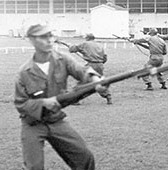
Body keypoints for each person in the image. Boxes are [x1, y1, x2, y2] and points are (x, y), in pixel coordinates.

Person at [14, 24, 104, 170]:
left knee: (84, 158)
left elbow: (81, 70)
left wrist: (95, 80)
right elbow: (20, 104)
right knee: (34, 167)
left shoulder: (63, 59)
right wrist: (44, 102)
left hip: (56, 120)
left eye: (50, 36)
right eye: (43, 37)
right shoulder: (24, 71)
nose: (49, 40)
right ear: (32, 41)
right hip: (33, 124)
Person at [69, 33, 112, 104]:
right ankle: (108, 96)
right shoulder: (99, 45)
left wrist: (70, 46)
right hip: (100, 65)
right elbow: (105, 58)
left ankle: (75, 99)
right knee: (99, 81)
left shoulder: (85, 44)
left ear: (87, 38)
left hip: (91, 65)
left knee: (83, 82)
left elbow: (72, 49)